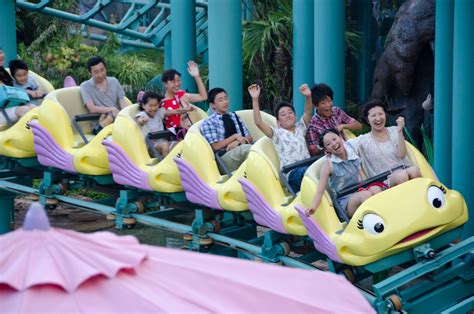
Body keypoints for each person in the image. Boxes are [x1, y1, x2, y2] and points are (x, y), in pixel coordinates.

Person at [250, 83, 313, 193]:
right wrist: (255, 99)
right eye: (283, 114)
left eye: (290, 113)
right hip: (293, 173)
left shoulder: (301, 127)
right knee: (310, 173)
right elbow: (258, 122)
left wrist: (308, 97)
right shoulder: (277, 134)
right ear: (279, 122)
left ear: (295, 116)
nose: (288, 115)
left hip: (309, 168)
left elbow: (308, 112)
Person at [306, 128, 382, 217]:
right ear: (327, 150)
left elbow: (363, 177)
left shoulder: (352, 153)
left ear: (340, 137)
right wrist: (313, 207)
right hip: (345, 202)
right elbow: (319, 192)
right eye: (328, 144)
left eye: (334, 139)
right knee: (365, 195)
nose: (334, 144)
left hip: (360, 190)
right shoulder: (328, 166)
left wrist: (370, 186)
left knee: (375, 189)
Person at [350, 100, 421, 187]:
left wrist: (400, 131)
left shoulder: (395, 130)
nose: (378, 118)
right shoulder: (362, 140)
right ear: (367, 120)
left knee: (415, 170)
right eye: (373, 115)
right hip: (384, 179)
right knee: (401, 176)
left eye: (380, 114)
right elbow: (345, 147)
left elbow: (402, 155)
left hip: (403, 169)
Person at [201, 87, 253, 173]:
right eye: (220, 100)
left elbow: (249, 137)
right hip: (224, 158)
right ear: (213, 105)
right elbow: (215, 146)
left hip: (241, 148)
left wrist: (238, 142)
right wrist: (235, 137)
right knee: (247, 150)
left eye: (226, 98)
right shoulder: (209, 122)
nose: (225, 102)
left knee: (258, 147)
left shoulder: (235, 116)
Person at [306, 83, 362, 156]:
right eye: (323, 103)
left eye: (329, 101)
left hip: (350, 152)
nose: (328, 105)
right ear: (316, 105)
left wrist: (343, 126)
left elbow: (359, 126)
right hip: (330, 158)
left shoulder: (337, 111)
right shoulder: (312, 125)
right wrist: (326, 141)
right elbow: (313, 152)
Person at [80, 56, 128, 134]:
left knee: (114, 114)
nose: (101, 74)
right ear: (90, 73)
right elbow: (92, 108)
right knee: (111, 113)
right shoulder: (85, 86)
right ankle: (100, 129)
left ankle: (103, 126)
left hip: (116, 121)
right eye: (96, 72)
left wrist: (127, 114)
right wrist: (111, 109)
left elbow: (122, 102)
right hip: (99, 121)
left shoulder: (114, 81)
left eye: (102, 70)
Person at [161, 61, 207, 133]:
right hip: (174, 138)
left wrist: (197, 77)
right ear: (165, 84)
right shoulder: (161, 103)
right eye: (173, 81)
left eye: (178, 81)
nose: (177, 84)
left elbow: (203, 97)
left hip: (190, 134)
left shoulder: (181, 95)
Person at [135, 91, 175, 158]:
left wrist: (186, 109)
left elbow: (175, 111)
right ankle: (164, 166)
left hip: (163, 142)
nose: (153, 108)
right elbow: (139, 121)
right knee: (165, 145)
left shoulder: (159, 113)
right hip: (151, 146)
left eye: (155, 105)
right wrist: (143, 120)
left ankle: (175, 163)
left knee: (179, 143)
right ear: (143, 105)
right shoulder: (142, 115)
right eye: (151, 106)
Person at [0, 59, 38, 126]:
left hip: (11, 105)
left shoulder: (3, 72)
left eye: (0, 52)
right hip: (4, 109)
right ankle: (28, 131)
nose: (1, 56)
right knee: (25, 110)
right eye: (19, 76)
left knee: (33, 107)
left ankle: (39, 131)